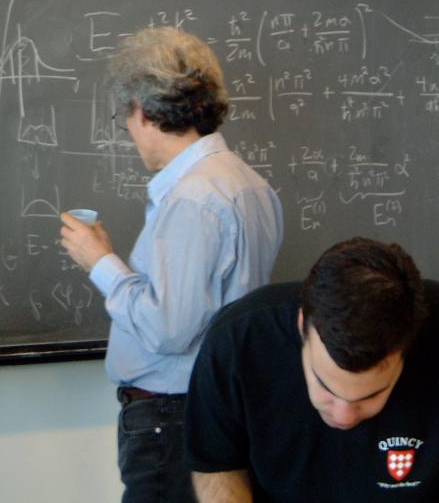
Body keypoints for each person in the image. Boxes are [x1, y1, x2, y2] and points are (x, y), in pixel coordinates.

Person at [59, 26, 283, 502]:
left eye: (126, 117)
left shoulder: (193, 198)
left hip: (173, 418)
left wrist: (100, 262)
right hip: (223, 408)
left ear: (141, 109)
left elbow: (169, 330)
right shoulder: (250, 184)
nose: (129, 131)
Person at [184, 237, 439, 502]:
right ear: (302, 324)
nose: (343, 417)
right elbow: (218, 464)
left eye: (370, 396)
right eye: (325, 387)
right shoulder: (238, 342)